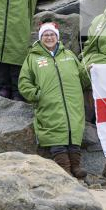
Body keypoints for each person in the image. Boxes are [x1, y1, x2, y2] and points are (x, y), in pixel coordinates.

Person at [18, 22, 90, 178]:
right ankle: (64, 169)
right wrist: (37, 95)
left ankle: (76, 167)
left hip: (73, 104)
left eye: (52, 35)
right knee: (56, 136)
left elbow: (83, 80)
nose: (49, 37)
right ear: (40, 38)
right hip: (48, 105)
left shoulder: (69, 55)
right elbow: (24, 83)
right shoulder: (32, 58)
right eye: (45, 35)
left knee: (74, 133)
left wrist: (89, 72)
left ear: (57, 37)